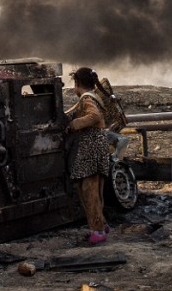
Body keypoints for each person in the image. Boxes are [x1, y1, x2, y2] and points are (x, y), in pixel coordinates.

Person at [65, 67, 111, 245]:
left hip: (90, 148)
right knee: (95, 188)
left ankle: (98, 231)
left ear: (77, 84)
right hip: (98, 147)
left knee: (87, 188)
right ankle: (102, 223)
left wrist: (74, 124)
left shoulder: (86, 98)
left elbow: (93, 116)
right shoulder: (95, 96)